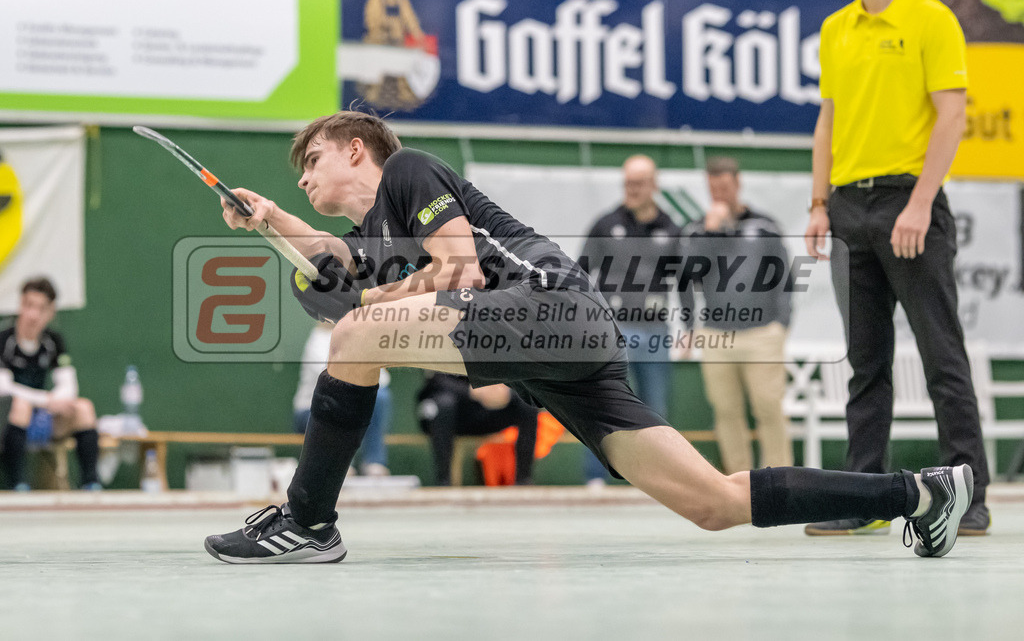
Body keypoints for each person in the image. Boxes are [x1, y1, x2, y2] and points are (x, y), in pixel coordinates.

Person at [203, 109, 972, 564]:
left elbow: (458, 267)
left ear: (354, 149)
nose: (303, 176)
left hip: (547, 310)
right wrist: (270, 219)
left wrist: (366, 299)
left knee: (357, 329)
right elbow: (338, 259)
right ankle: (919, 492)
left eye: (309, 161)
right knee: (711, 501)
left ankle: (308, 520)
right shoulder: (378, 223)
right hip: (560, 355)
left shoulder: (409, 173)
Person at [803, 0, 990, 537]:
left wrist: (920, 202)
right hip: (847, 207)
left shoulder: (931, 19)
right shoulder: (836, 28)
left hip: (911, 204)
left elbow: (952, 116)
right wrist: (818, 203)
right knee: (866, 363)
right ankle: (868, 497)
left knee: (942, 358)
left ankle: (970, 496)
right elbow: (827, 120)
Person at [682, 157, 794, 475]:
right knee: (726, 411)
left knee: (768, 408)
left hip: (762, 334)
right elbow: (691, 274)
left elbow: (784, 278)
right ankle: (739, 481)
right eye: (713, 188)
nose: (719, 193)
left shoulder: (765, 225)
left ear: (738, 183)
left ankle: (779, 478)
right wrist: (711, 230)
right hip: (717, 334)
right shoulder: (697, 229)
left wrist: (781, 324)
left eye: (724, 186)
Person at [578, 154, 681, 486]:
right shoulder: (605, 224)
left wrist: (691, 326)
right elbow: (579, 273)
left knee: (655, 407)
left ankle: (659, 478)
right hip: (612, 329)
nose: (632, 190)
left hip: (656, 332)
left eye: (639, 184)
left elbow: (685, 281)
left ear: (654, 185)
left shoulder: (671, 228)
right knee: (603, 402)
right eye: (628, 183)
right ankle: (596, 476)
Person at [0, 277, 100, 490]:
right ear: (20, 305)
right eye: (29, 305)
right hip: (9, 419)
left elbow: (69, 385)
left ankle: (91, 483)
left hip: (42, 417)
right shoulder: (3, 339)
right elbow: (4, 387)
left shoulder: (53, 341)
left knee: (83, 409)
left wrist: (55, 402)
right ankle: (18, 484)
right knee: (20, 405)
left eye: (41, 308)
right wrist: (44, 399)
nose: (33, 315)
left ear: (51, 312)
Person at [292, 322, 392, 477]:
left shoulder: (359, 338)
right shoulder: (318, 339)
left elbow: (383, 379)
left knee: (380, 396)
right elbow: (332, 378)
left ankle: (374, 461)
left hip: (352, 410)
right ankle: (342, 464)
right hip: (310, 412)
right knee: (342, 395)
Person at [416, 373, 538, 486]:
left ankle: (523, 480)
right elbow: (436, 382)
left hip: (491, 409)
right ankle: (443, 482)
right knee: (444, 403)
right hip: (455, 412)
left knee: (527, 402)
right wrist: (473, 392)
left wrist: (504, 391)